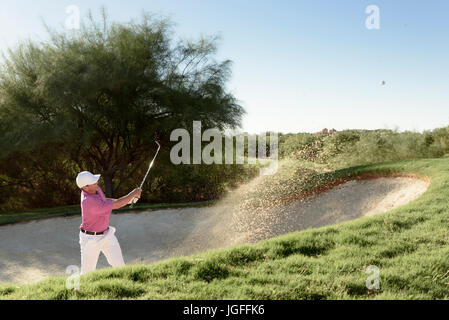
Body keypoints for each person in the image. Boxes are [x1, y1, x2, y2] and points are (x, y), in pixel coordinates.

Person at [75, 171, 142, 275]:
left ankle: (127, 286)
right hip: (90, 240)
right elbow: (117, 205)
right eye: (93, 182)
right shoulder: (89, 202)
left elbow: (106, 201)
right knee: (87, 274)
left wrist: (129, 201)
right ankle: (79, 290)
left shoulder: (95, 189)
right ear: (85, 187)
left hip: (107, 235)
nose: (96, 182)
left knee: (120, 266)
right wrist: (132, 194)